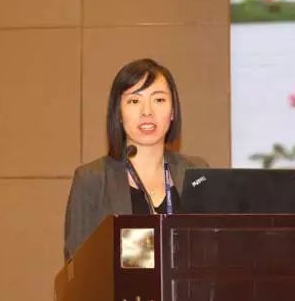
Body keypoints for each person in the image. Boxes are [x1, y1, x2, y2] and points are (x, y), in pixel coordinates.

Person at [63, 58, 208, 260]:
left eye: (159, 100)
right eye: (134, 101)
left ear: (173, 111)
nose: (147, 112)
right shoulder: (92, 179)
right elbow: (77, 266)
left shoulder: (196, 172)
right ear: (119, 113)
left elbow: (211, 249)